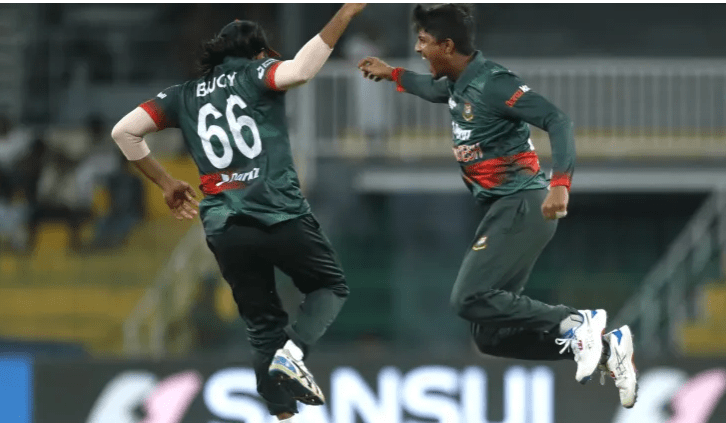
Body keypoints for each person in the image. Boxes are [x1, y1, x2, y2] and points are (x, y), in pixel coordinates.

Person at [358, 3, 637, 409]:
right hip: (505, 210)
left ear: (447, 46)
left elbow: (558, 120)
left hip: (523, 203)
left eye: (423, 40)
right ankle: (610, 350)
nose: (417, 48)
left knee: (467, 298)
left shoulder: (493, 82)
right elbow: (434, 91)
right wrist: (393, 74)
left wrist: (560, 184)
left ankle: (578, 321)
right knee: (489, 335)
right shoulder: (457, 85)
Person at [111, 4, 367, 422]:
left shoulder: (182, 94)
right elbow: (302, 70)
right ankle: (295, 353)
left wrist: (166, 183)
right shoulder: (256, 73)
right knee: (329, 287)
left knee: (262, 325)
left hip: (224, 225)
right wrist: (345, 14)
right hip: (277, 210)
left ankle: (283, 416)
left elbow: (123, 132)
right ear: (259, 52)